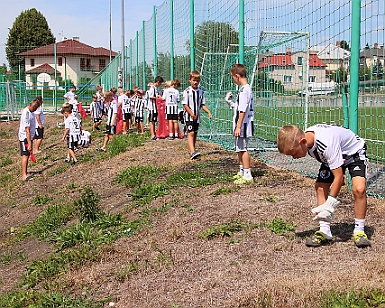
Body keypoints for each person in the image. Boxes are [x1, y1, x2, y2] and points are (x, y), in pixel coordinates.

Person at [277, 124, 371, 248]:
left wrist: (329, 205)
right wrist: (339, 171)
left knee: (359, 189)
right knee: (320, 186)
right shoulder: (306, 142)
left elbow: (338, 178)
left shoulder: (325, 144)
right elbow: (336, 169)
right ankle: (325, 231)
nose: (294, 158)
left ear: (303, 142)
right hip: (333, 156)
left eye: (294, 153)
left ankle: (359, 231)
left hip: (353, 154)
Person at [229, 64, 254, 184]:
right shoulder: (244, 90)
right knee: (239, 148)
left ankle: (248, 174)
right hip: (241, 124)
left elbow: (243, 110)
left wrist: (238, 126)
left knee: (243, 149)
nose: (233, 80)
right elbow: (240, 107)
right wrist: (230, 102)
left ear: (237, 76)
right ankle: (242, 171)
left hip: (243, 125)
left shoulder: (245, 90)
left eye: (233, 77)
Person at [182, 70, 212, 159]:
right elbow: (185, 104)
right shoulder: (187, 91)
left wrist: (208, 112)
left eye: (197, 80)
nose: (195, 82)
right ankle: (192, 152)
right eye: (194, 80)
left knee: (194, 133)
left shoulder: (201, 92)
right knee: (190, 133)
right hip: (189, 116)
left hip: (197, 117)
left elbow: (202, 105)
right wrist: (191, 114)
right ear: (190, 80)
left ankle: (193, 150)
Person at [18, 99, 40, 180]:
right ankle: (24, 175)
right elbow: (27, 130)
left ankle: (26, 172)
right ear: (31, 105)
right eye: (35, 108)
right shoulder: (26, 114)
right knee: (25, 156)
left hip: (29, 137)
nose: (35, 110)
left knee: (27, 155)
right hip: (25, 138)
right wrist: (30, 144)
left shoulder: (31, 112)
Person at [148, 76, 164, 140]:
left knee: (154, 120)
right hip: (152, 107)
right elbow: (151, 96)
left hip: (155, 107)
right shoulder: (152, 88)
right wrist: (157, 98)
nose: (160, 85)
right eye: (160, 83)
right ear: (158, 82)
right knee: (152, 121)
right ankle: (152, 135)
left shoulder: (156, 88)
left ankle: (154, 133)